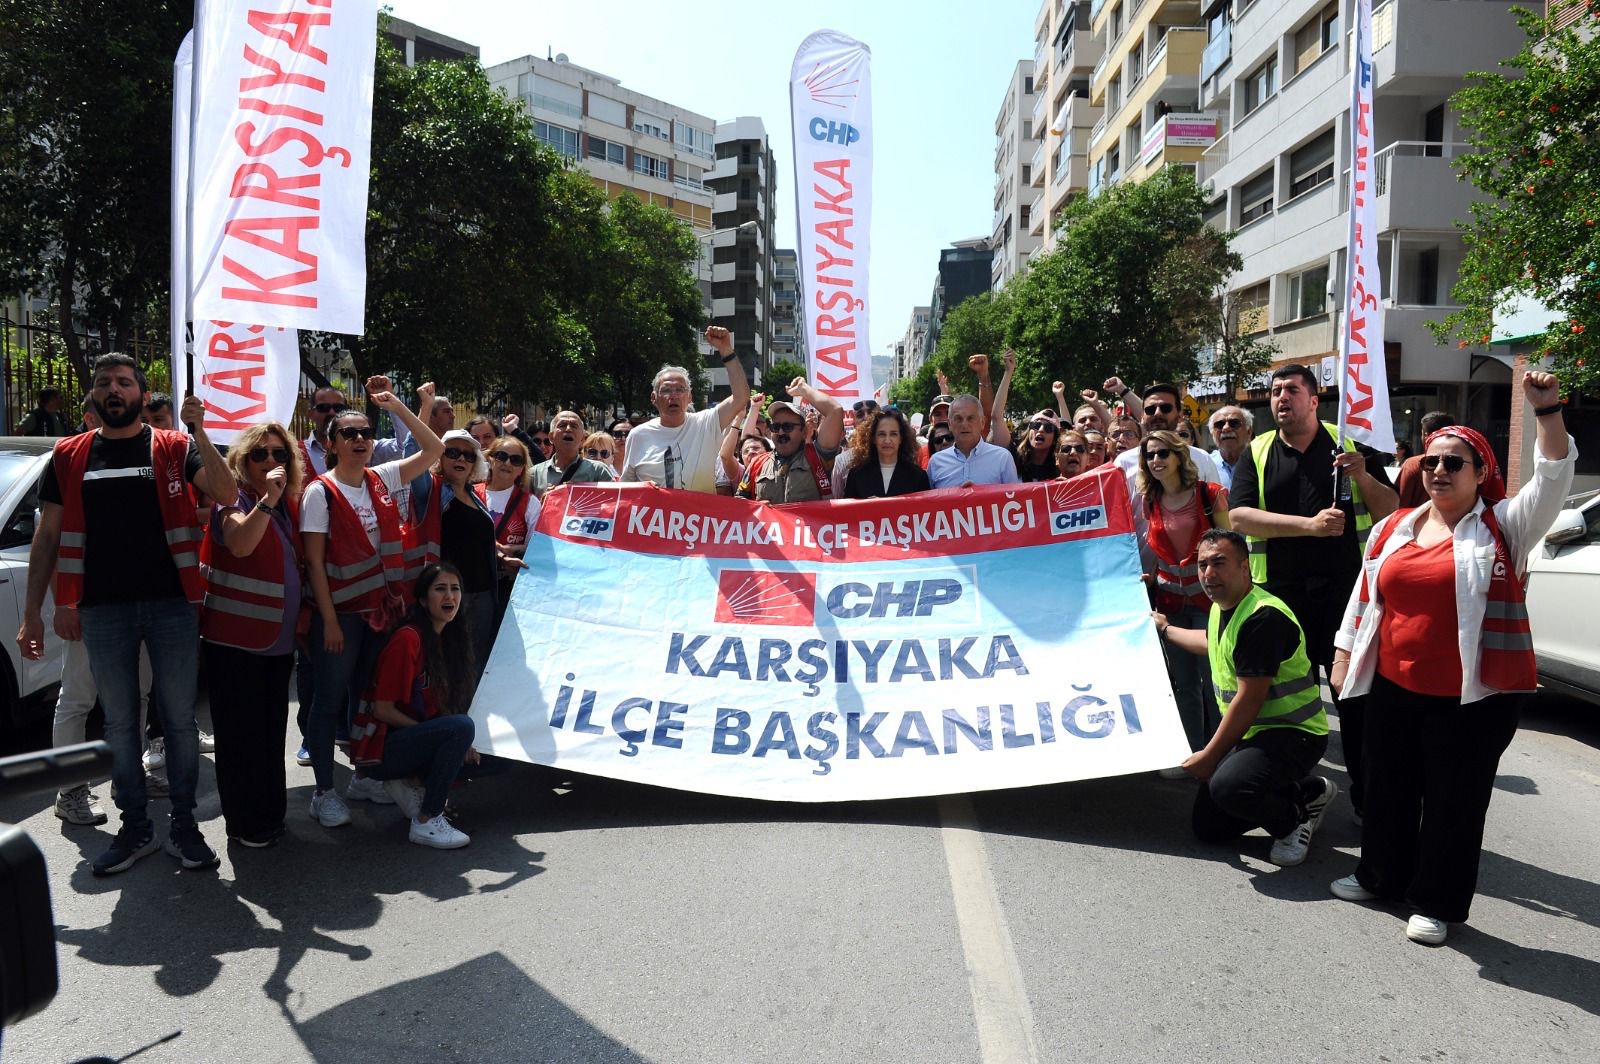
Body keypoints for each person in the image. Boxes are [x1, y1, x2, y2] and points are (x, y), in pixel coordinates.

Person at [1327, 375, 1574, 944]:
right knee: (1388, 787)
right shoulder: (1394, 526)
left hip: (1472, 698)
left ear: (1481, 474)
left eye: (1454, 463)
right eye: (1432, 460)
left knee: (1453, 800)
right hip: (1392, 684)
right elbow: (1364, 595)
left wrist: (1547, 410)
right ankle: (1379, 875)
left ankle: (1434, 901)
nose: (1439, 470)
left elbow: (1555, 476)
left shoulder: (1504, 525)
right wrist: (1343, 654)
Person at [18, 353, 236, 875]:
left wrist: (199, 428)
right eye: (102, 383)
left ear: (141, 393)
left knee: (180, 723)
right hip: (103, 612)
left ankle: (184, 827)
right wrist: (35, 613)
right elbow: (47, 537)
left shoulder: (175, 446)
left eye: (123, 382)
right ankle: (135, 827)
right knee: (119, 724)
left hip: (172, 607)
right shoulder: (68, 455)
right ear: (92, 397)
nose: (113, 389)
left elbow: (227, 493)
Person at [1228, 363, 1398, 819]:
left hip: (1347, 597)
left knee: (1355, 702)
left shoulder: (1349, 444)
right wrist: (1310, 527)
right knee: (1283, 704)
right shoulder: (1258, 451)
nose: (1281, 397)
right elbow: (1239, 517)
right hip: (1281, 599)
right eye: (1275, 391)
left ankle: (1368, 800)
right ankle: (1296, 793)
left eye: (1291, 390)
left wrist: (1362, 476)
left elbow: (1393, 510)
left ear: (1314, 399)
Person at [300, 387, 444, 830]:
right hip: (342, 617)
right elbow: (316, 565)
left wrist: (397, 407)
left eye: (365, 432)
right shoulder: (319, 493)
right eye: (349, 433)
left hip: (380, 613)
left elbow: (434, 449)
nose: (360, 439)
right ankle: (324, 792)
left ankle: (362, 778)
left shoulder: (382, 477)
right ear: (332, 444)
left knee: (365, 699)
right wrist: (328, 622)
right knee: (328, 704)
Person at [1155, 530, 1337, 868]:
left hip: (1294, 734)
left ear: (1245, 567)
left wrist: (1210, 756)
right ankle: (1308, 792)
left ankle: (1293, 822)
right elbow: (1211, 642)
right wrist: (1164, 628)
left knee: (1229, 788)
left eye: (1219, 563)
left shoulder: (1263, 617)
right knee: (1208, 827)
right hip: (1255, 734)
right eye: (1203, 565)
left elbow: (1249, 699)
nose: (1209, 574)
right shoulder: (1223, 606)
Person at [200, 420, 306, 848]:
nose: (270, 461)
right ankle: (245, 823)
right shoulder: (234, 500)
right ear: (241, 462)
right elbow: (240, 544)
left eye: (279, 454)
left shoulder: (286, 504)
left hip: (275, 644)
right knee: (240, 738)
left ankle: (270, 814)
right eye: (259, 454)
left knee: (268, 733)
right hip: (235, 642)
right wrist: (265, 502)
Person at [349, 562, 478, 849]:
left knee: (496, 755)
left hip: (416, 738)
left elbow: (447, 707)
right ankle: (427, 820)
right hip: (382, 750)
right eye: (440, 589)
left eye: (455, 589)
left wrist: (456, 739)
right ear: (422, 599)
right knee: (460, 728)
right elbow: (383, 710)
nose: (450, 597)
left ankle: (415, 783)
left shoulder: (451, 639)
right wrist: (436, 736)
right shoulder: (409, 638)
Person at [1137, 431, 1231, 766]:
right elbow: (1157, 552)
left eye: (1163, 453)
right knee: (1183, 685)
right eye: (1150, 456)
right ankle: (1192, 754)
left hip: (1211, 604)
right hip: (1171, 605)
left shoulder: (1211, 494)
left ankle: (1221, 756)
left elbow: (1231, 546)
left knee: (1216, 685)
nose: (1156, 460)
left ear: (1179, 456)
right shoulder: (1150, 500)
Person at [407, 428, 507, 681]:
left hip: (482, 595)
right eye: (452, 453)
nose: (461, 459)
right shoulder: (431, 491)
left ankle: (468, 719)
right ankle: (450, 720)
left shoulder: (475, 494)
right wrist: (424, 407)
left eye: (468, 455)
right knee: (448, 668)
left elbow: (474, 539)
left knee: (474, 669)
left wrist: (502, 556)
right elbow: (411, 452)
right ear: (438, 457)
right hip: (447, 598)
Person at [621, 326, 749, 492]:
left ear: (689, 397)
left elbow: (741, 397)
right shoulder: (638, 435)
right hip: (653, 517)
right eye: (666, 390)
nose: (673, 396)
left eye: (680, 390)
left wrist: (726, 350)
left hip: (698, 516)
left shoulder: (707, 423)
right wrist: (643, 488)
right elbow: (626, 488)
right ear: (654, 398)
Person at [737, 379, 845, 504]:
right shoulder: (757, 463)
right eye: (776, 427)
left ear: (804, 431)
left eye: (788, 427)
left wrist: (804, 390)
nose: (781, 432)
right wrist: (755, 507)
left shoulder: (818, 457)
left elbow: (835, 411)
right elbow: (739, 503)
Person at [478, 435, 543, 631]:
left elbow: (537, 547)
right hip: (474, 585)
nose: (507, 463)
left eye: (516, 460)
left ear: (522, 468)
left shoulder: (531, 503)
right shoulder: (470, 493)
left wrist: (511, 549)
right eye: (501, 456)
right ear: (490, 459)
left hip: (508, 587)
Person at [1110, 380, 1220, 491]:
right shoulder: (1124, 462)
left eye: (1166, 408)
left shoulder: (1202, 459)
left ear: (1180, 415)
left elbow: (1217, 505)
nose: (1158, 413)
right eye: (1151, 409)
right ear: (1142, 416)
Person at [928, 394, 1020, 489]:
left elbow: (1014, 499)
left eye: (971, 418)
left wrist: (979, 495)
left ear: (982, 423)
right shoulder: (935, 462)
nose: (964, 424)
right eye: (958, 418)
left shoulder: (1002, 458)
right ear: (950, 424)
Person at [843, 406, 931, 498]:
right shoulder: (856, 475)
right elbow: (849, 511)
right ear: (873, 438)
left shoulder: (918, 476)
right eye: (882, 434)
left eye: (893, 434)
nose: (887, 440)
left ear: (901, 438)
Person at [532, 410, 615, 498]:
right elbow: (525, 509)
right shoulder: (534, 474)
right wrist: (543, 501)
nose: (568, 429)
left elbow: (612, 506)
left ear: (582, 439)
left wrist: (580, 496)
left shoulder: (599, 471)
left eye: (574, 426)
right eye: (562, 425)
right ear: (551, 437)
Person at [1393, 411, 1456, 509]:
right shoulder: (1467, 465)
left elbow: (1399, 504)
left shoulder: (1412, 464)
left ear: (1425, 435)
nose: (1439, 471)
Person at [1207, 406, 1254, 492]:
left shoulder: (1260, 462)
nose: (1226, 428)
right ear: (1212, 434)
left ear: (1249, 431)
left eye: (1234, 423)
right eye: (1219, 425)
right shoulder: (1205, 465)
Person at [1013, 411, 1062, 482]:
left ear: (1055, 439)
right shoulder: (1013, 459)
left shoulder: (1060, 470)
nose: (1041, 430)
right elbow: (996, 418)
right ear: (1028, 432)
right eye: (1036, 425)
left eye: (1048, 428)